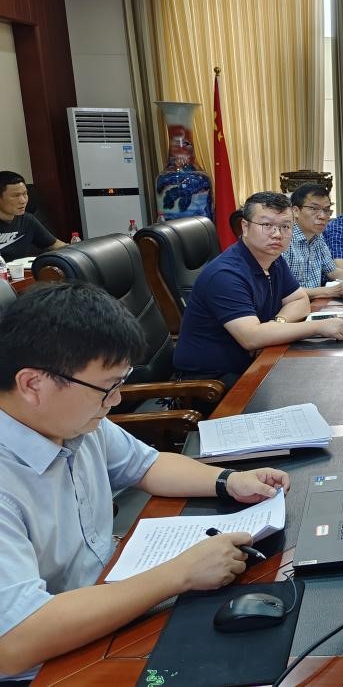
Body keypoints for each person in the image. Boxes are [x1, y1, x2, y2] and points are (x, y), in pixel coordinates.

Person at [0, 281, 291, 681]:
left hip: (111, 599)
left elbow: (147, 466)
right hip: (56, 660)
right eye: (108, 388)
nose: (117, 400)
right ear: (34, 384)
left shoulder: (71, 421)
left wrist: (230, 480)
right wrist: (180, 573)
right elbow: (15, 641)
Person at [174, 192, 343, 387]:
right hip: (212, 381)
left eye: (285, 226)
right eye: (267, 225)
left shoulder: (274, 260)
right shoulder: (225, 274)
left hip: (256, 363)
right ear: (245, 227)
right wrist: (318, 327)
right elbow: (251, 337)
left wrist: (276, 324)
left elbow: (300, 301)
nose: (277, 234)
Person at [282, 183, 343, 300]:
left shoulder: (317, 237)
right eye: (314, 208)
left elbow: (332, 271)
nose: (323, 216)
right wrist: (331, 291)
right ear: (295, 211)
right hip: (292, 305)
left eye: (326, 210)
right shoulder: (284, 240)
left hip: (315, 303)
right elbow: (285, 291)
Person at [0, 171, 64, 262]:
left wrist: (78, 251)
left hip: (21, 270)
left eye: (25, 194)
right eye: (16, 196)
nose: (23, 201)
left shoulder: (27, 220)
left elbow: (56, 245)